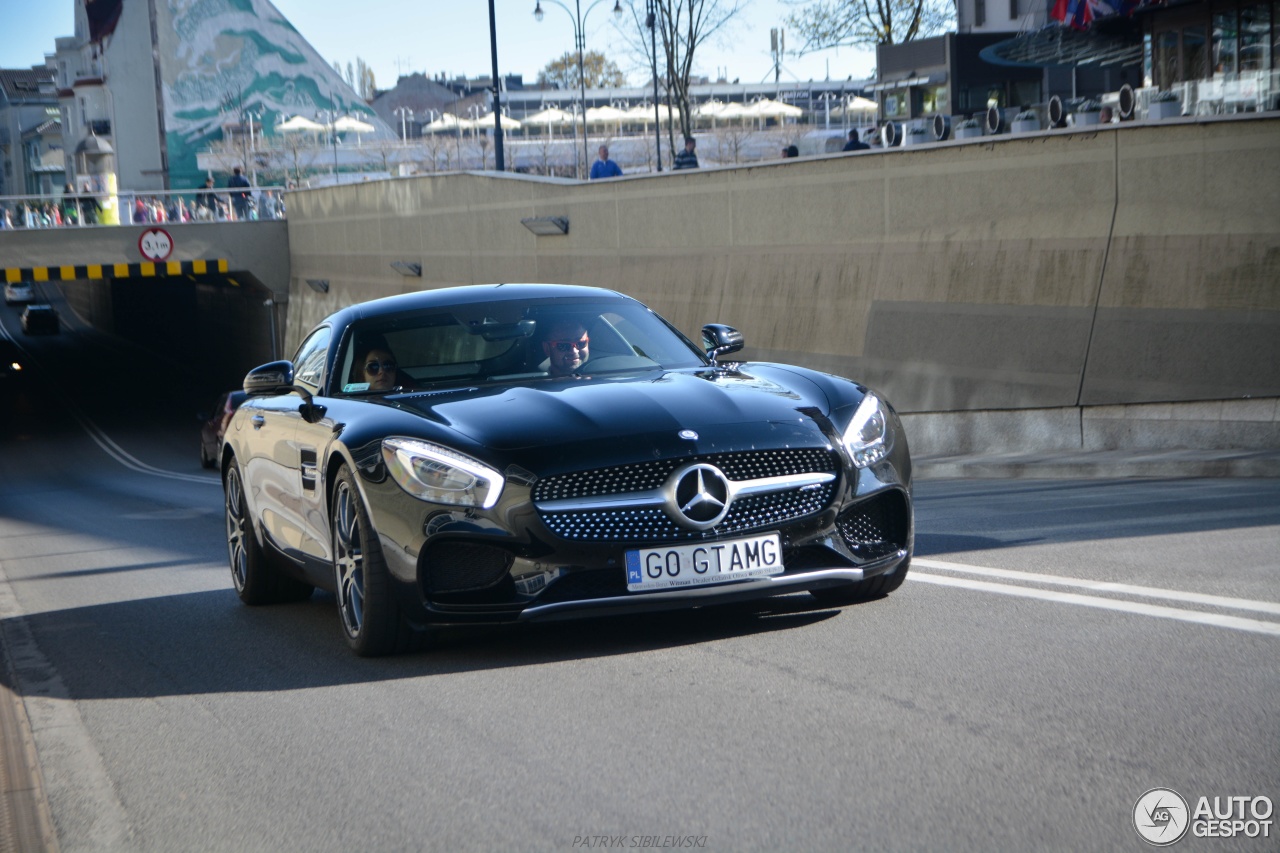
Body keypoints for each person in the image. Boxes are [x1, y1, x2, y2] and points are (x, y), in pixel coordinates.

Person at [349, 336, 414, 392]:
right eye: (373, 367)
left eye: (388, 366)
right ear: (361, 373)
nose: (382, 371)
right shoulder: (352, 404)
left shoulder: (410, 395)